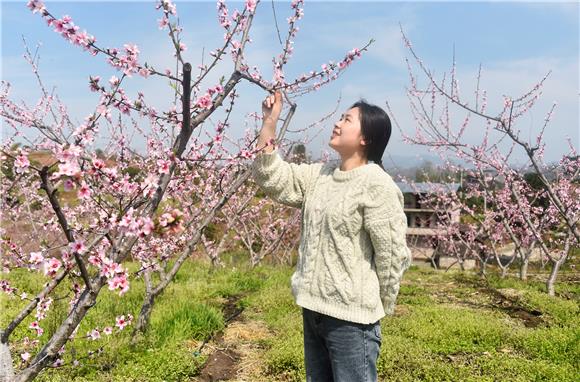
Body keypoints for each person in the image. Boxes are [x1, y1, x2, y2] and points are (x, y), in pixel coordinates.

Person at [250, 90, 412, 382]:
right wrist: (269, 122)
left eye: (347, 119)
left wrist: (378, 308)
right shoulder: (319, 176)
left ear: (366, 138)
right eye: (340, 117)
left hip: (353, 320)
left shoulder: (377, 185)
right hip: (313, 310)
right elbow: (270, 177)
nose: (337, 122)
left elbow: (391, 255)